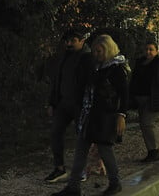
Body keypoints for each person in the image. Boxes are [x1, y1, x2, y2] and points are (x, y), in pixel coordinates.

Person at [52, 34, 129, 196]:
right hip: (90, 114)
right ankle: (73, 187)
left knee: (105, 151)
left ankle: (115, 183)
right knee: (80, 150)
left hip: (104, 116)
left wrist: (121, 115)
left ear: (107, 50)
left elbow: (124, 94)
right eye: (94, 51)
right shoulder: (96, 67)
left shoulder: (116, 69)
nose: (96, 54)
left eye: (99, 51)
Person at [45, 28, 92, 183]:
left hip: (80, 104)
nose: (69, 43)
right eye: (67, 41)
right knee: (56, 132)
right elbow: (57, 81)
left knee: (82, 137)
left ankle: (81, 169)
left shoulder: (87, 58)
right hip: (63, 102)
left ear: (82, 41)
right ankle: (59, 168)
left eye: (73, 40)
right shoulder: (64, 57)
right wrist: (52, 102)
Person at [129, 42, 159, 163]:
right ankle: (151, 150)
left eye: (151, 50)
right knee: (143, 124)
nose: (148, 52)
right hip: (139, 98)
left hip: (152, 98)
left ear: (157, 51)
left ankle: (154, 150)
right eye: (146, 49)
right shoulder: (139, 62)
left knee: (146, 124)